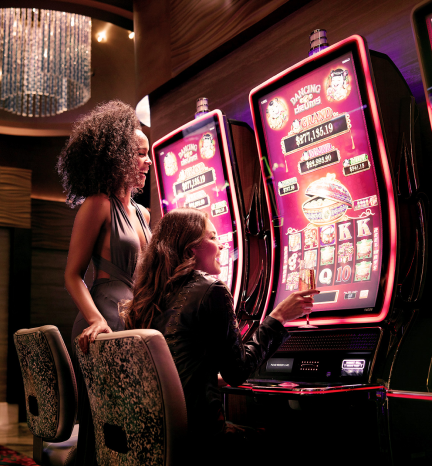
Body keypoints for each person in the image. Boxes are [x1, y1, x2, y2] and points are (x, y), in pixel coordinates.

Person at [122, 208, 319, 465]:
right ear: (192, 248)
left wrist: (207, 379)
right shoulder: (211, 289)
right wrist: (278, 317)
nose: (223, 245)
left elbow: (178, 369)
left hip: (152, 437)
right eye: (213, 237)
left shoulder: (149, 298)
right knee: (296, 443)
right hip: (202, 440)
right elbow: (237, 372)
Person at [57, 100, 152, 465]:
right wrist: (95, 318)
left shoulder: (143, 214)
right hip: (100, 323)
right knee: (106, 429)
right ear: (116, 157)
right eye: (139, 154)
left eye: (148, 155)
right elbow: (71, 274)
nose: (147, 162)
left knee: (131, 428)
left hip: (133, 325)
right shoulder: (97, 204)